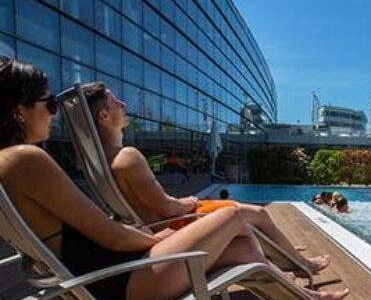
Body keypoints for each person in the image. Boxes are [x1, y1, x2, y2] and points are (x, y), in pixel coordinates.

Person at [0, 58, 349, 300]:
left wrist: (159, 237)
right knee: (233, 216)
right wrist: (160, 239)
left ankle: (304, 299)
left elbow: (103, 235)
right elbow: (113, 238)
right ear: (18, 111)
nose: (54, 114)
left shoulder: (10, 164)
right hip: (124, 285)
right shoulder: (24, 160)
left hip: (112, 280)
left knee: (242, 246)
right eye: (48, 104)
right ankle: (304, 288)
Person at [83, 84, 331, 275]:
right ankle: (302, 264)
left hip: (161, 226)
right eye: (115, 102)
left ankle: (284, 253)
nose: (123, 104)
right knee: (258, 214)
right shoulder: (128, 156)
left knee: (251, 219)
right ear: (104, 116)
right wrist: (190, 201)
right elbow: (166, 208)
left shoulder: (102, 161)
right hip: (175, 226)